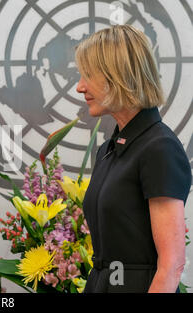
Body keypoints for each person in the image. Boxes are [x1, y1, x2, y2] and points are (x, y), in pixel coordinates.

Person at [75, 25, 191, 293]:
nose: (80, 87)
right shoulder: (107, 150)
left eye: (88, 75)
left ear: (119, 75)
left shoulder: (159, 147)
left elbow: (172, 264)